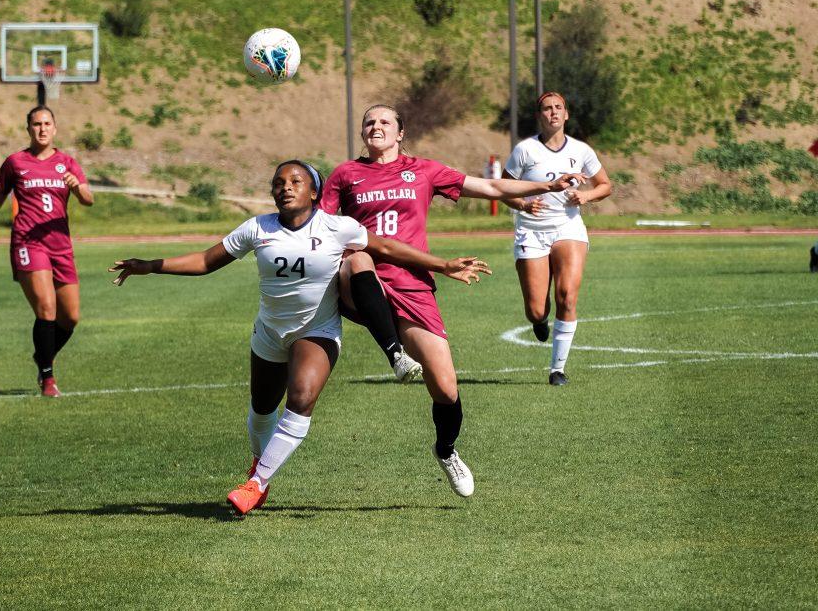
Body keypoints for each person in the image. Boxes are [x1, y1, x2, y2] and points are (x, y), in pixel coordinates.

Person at [109, 160, 488, 515]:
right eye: (278, 183)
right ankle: (261, 462)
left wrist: (442, 264)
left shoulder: (336, 227)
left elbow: (386, 247)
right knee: (262, 408)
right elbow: (207, 261)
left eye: (295, 182)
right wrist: (151, 266)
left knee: (302, 397)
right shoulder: (257, 228)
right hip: (270, 332)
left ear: (313, 193)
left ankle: (256, 483)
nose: (285, 188)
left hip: (317, 330)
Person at [320, 104, 585, 496]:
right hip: (359, 281)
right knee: (358, 257)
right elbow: (319, 229)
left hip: (413, 284)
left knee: (445, 389)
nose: (376, 126)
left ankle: (446, 450)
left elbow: (491, 187)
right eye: (369, 122)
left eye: (384, 122)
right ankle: (395, 355)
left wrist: (547, 185)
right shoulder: (344, 174)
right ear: (362, 132)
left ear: (400, 134)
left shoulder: (425, 170)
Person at [0, 106, 94, 397]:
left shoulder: (67, 163)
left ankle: (42, 355)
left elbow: (88, 199)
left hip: (61, 246)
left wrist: (77, 188)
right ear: (28, 129)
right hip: (28, 244)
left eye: (47, 123)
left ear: (55, 128)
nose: (42, 129)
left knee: (70, 317)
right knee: (46, 307)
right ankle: (48, 378)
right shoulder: (15, 163)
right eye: (36, 124)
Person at [500, 91, 612, 386]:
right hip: (531, 231)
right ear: (540, 116)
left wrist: (586, 195)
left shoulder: (581, 151)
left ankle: (557, 369)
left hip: (568, 227)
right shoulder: (524, 150)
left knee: (567, 296)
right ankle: (539, 321)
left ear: (566, 114)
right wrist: (523, 204)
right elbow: (503, 189)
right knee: (537, 309)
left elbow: (605, 185)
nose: (553, 113)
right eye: (547, 109)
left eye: (558, 108)